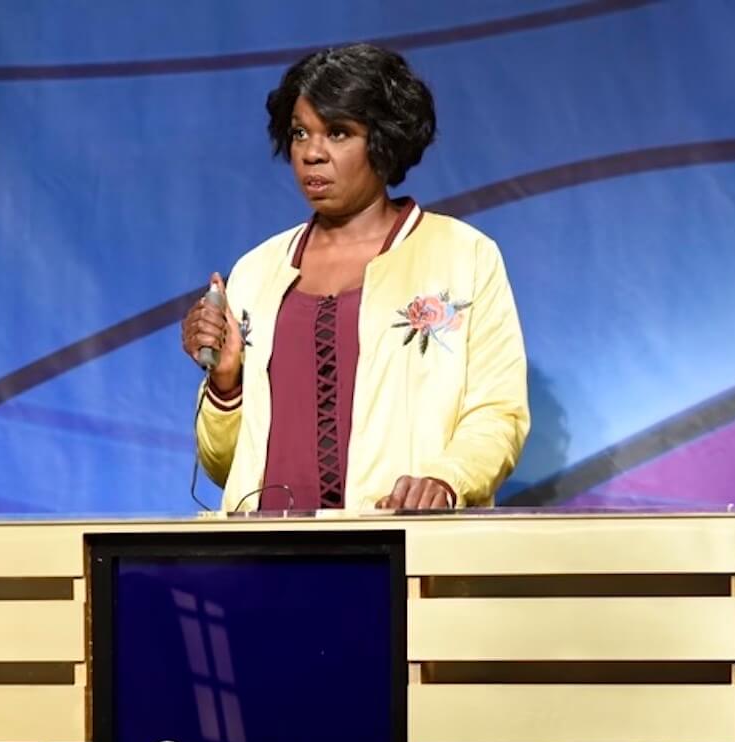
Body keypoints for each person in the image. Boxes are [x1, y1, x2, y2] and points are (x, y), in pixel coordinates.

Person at [181, 43, 529, 512]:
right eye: (301, 133)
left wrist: (446, 481)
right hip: (267, 562)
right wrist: (225, 386)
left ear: (385, 141)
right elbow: (225, 467)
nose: (312, 154)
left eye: (339, 133)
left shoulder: (463, 256)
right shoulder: (256, 272)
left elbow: (498, 413)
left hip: (406, 550)